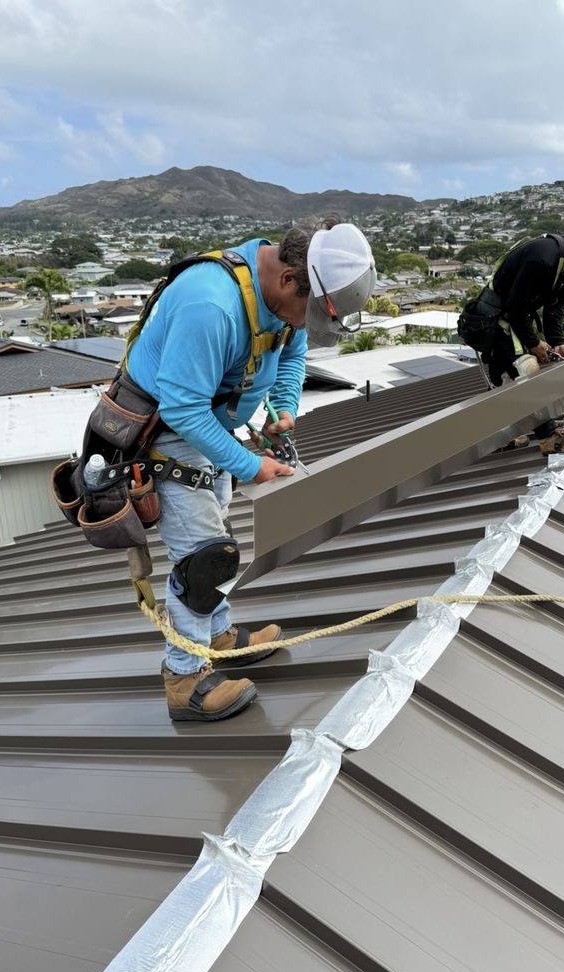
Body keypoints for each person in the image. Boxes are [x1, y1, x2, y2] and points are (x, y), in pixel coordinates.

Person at [126, 219, 376, 722]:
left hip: (210, 431)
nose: (304, 324)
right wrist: (247, 465)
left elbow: (291, 348)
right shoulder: (211, 304)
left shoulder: (281, 295)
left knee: (213, 544)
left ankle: (217, 635)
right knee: (205, 559)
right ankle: (183, 677)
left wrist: (283, 406)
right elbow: (181, 408)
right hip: (169, 436)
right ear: (288, 280)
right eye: (306, 313)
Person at [460, 233, 564, 454]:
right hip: (495, 317)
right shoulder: (543, 258)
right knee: (525, 370)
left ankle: (501, 435)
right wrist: (533, 342)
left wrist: (557, 341)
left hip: (510, 316)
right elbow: (515, 306)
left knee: (502, 376)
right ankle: (550, 439)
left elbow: (556, 305)